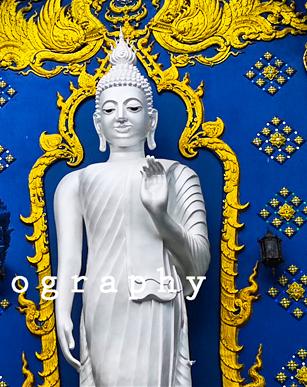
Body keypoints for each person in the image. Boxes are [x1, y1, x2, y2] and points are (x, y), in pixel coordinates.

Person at [54, 33, 210, 387]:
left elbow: (198, 262)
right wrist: (62, 310)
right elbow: (69, 262)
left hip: (158, 302)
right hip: (103, 299)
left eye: (133, 108)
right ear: (97, 124)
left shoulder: (178, 175)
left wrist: (160, 214)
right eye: (109, 109)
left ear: (152, 120)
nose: (121, 117)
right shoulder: (75, 183)